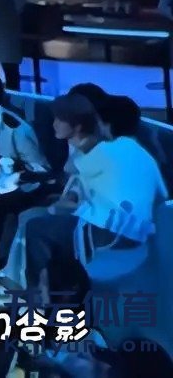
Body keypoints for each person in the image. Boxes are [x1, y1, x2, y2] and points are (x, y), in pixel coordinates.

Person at [24, 95, 169, 300]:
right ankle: (58, 296)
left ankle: (40, 298)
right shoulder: (142, 153)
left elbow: (73, 172)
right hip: (143, 234)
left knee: (37, 227)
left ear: (104, 124)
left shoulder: (107, 150)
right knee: (57, 227)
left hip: (113, 234)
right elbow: (162, 196)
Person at [0, 94, 101, 306]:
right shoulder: (73, 146)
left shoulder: (93, 152)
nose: (54, 123)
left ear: (77, 125)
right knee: (26, 215)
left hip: (86, 221)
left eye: (60, 119)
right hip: (69, 205)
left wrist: (63, 203)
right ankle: (16, 280)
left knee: (33, 221)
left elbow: (86, 195)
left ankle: (27, 289)